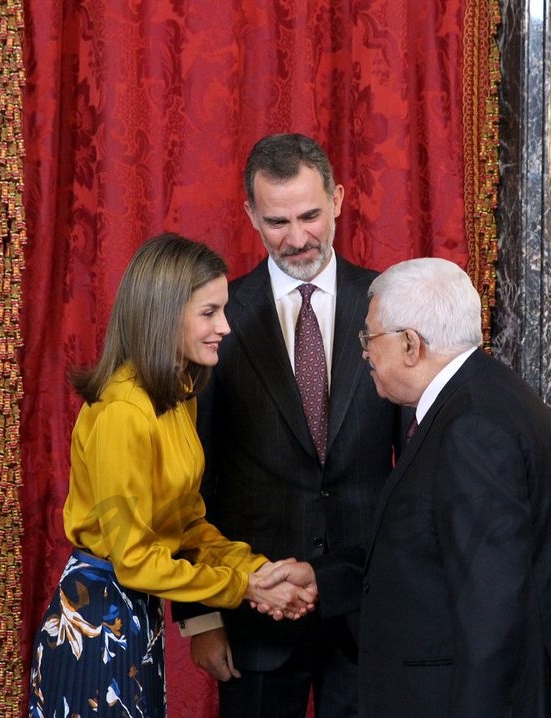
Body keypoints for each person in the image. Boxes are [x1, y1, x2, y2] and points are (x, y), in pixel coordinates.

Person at [28, 233, 317, 718]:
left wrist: (258, 569)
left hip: (133, 616)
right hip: (97, 620)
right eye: (209, 313)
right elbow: (136, 561)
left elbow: (186, 527)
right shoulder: (125, 410)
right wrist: (243, 588)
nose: (225, 326)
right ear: (164, 315)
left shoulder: (176, 394)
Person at [173, 134, 402, 718]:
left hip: (368, 610)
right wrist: (201, 617)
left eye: (310, 215)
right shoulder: (218, 318)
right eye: (277, 221)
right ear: (250, 215)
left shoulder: (390, 304)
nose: (297, 239)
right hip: (255, 618)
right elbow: (189, 480)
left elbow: (419, 466)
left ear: (340, 200)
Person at [353, 257, 551, 717]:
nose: (365, 353)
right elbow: (427, 555)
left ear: (411, 344)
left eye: (370, 337)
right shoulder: (484, 395)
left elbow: (491, 607)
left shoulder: (472, 424)